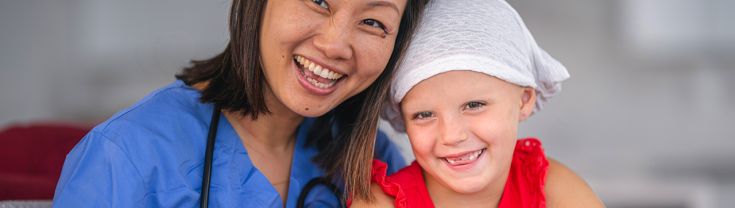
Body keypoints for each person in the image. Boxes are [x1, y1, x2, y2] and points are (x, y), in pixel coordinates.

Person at [52, 0, 428, 207]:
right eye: (317, 0)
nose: (335, 45)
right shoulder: (127, 156)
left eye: (374, 23)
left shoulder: (374, 164)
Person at [351, 0, 604, 207]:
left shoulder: (554, 190)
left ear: (524, 100)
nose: (451, 135)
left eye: (474, 105)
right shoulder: (380, 204)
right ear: (402, 118)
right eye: (424, 114)